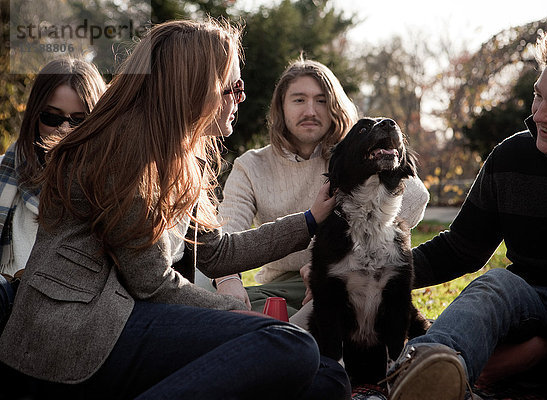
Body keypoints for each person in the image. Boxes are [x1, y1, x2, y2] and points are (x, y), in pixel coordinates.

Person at [0, 19, 350, 399]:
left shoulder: (176, 154)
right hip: (76, 335)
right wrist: (236, 316)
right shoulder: (125, 151)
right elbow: (152, 282)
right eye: (232, 87)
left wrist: (309, 221)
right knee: (291, 346)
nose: (241, 98)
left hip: (125, 322)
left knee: (326, 378)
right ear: (196, 88)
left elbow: (217, 253)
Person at [384, 19, 547, 400]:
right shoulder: (511, 157)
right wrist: (377, 274)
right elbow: (460, 248)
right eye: (539, 96)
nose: (538, 114)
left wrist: (538, 350)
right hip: (526, 304)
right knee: (494, 286)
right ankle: (429, 368)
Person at [212, 57, 430, 316]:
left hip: (348, 277)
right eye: (299, 100)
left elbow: (417, 197)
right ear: (280, 107)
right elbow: (226, 233)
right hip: (279, 288)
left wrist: (322, 259)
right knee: (217, 304)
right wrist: (228, 282)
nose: (311, 111)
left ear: (335, 106)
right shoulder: (250, 165)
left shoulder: (351, 157)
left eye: (322, 100)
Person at [0, 58, 106, 331]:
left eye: (79, 120)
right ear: (35, 117)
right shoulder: (4, 174)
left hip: (72, 327)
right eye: (51, 117)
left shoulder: (113, 189)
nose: (64, 130)